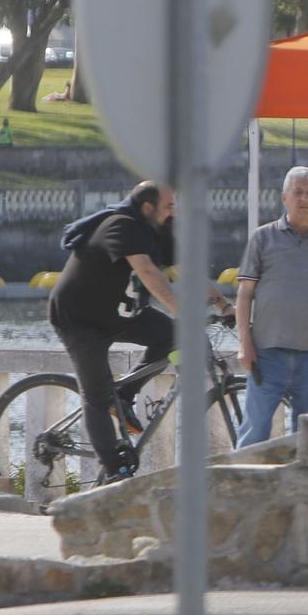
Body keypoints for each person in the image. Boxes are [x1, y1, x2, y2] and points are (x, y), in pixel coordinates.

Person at [47, 180, 228, 480]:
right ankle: (114, 470)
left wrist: (224, 306)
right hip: (79, 320)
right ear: (148, 208)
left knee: (172, 336)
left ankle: (125, 394)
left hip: (119, 315)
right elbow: (148, 271)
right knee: (96, 397)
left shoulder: (159, 230)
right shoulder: (121, 225)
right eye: (169, 206)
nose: (175, 212)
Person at [235, 165, 308, 446]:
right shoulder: (262, 238)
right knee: (254, 433)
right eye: (298, 193)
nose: (304, 199)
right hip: (267, 354)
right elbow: (244, 293)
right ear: (284, 197)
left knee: (307, 440)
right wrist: (245, 343)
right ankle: (244, 485)